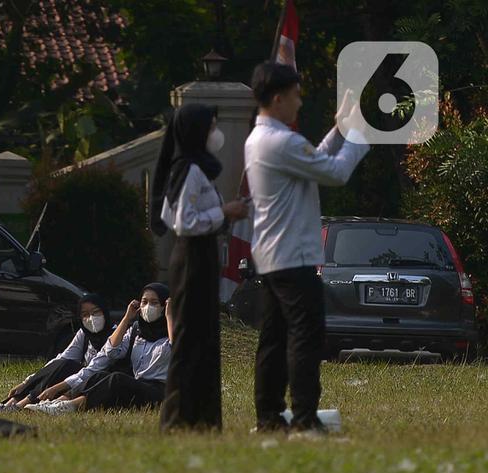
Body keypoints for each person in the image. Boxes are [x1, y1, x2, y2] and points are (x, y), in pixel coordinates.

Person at [245, 62, 369, 434]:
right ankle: (303, 418)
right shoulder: (283, 141)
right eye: (296, 96)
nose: (300, 103)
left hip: (271, 254)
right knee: (305, 336)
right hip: (294, 256)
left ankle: (268, 416)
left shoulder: (262, 139)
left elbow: (313, 158)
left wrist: (340, 129)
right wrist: (360, 137)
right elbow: (335, 172)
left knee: (274, 338)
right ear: (279, 98)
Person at [151, 104, 250, 432]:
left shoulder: (191, 168)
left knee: (203, 337)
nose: (215, 134)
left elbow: (166, 214)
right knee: (190, 338)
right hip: (193, 257)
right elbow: (184, 222)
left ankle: (201, 418)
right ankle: (180, 418)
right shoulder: (190, 169)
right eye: (211, 127)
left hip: (198, 255)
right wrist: (224, 212)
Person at [26, 284, 173, 415]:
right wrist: (127, 318)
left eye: (154, 303)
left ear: (164, 305)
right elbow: (111, 351)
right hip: (137, 383)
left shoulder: (172, 331)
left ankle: (70, 406)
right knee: (99, 375)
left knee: (117, 378)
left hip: (159, 391)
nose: (148, 307)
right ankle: (59, 401)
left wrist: (170, 316)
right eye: (144, 302)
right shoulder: (136, 331)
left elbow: (178, 350)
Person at [0, 293, 112, 411]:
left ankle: (23, 403)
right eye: (85, 315)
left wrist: (56, 388)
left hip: (96, 381)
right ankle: (15, 400)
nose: (91, 318)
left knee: (68, 366)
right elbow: (62, 358)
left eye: (96, 312)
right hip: (77, 379)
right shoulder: (84, 333)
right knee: (63, 364)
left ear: (105, 312)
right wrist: (28, 381)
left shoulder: (116, 336)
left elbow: (94, 368)